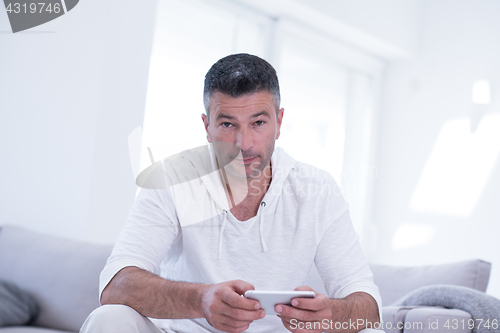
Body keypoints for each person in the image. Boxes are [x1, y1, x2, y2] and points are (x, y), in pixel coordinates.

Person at [80, 53, 382, 333]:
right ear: (206, 126)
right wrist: (200, 300)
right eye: (227, 124)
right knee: (109, 319)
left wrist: (330, 316)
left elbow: (369, 308)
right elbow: (116, 286)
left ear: (279, 122)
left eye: (259, 122)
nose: (244, 143)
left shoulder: (317, 190)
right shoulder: (173, 178)